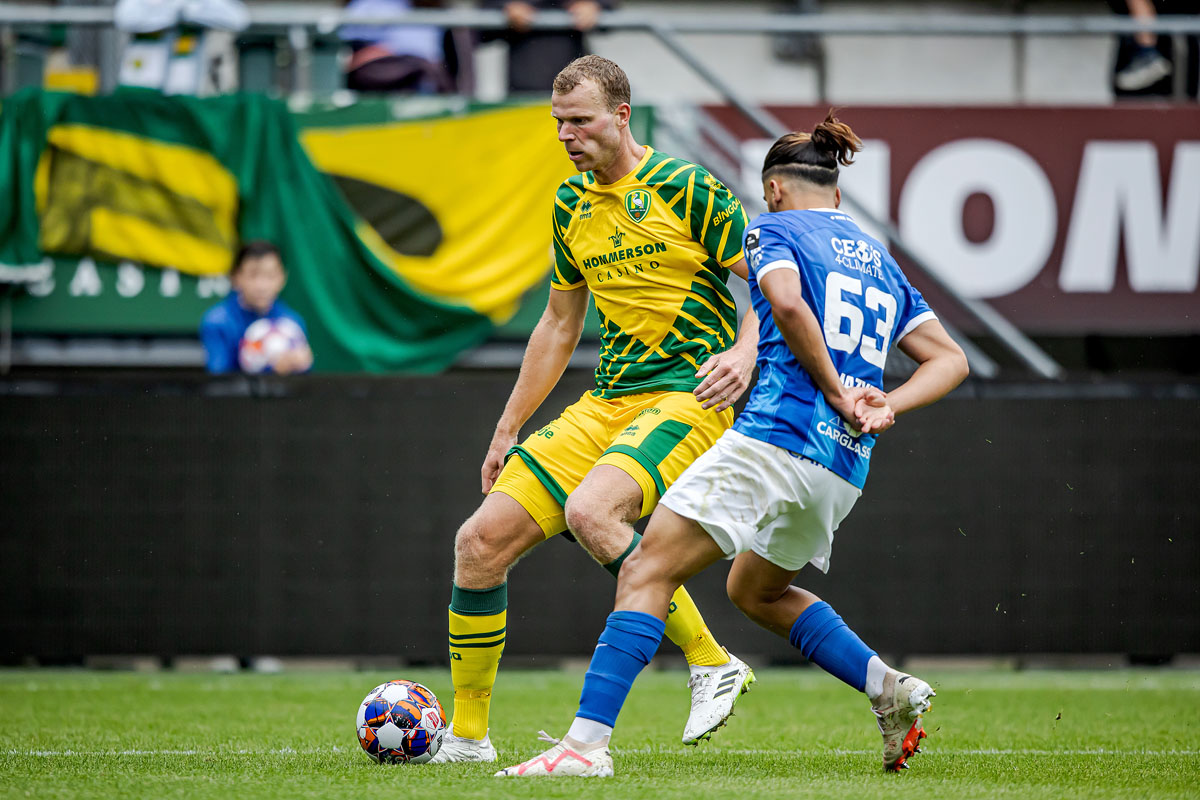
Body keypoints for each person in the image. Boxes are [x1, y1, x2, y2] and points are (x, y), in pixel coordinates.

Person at [496, 112, 970, 778]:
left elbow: (785, 302)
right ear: (836, 193)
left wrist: (834, 389)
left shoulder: (771, 228)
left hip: (774, 439)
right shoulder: (879, 259)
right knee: (756, 591)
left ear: (773, 189)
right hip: (842, 465)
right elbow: (950, 359)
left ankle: (583, 747)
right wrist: (885, 402)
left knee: (643, 571)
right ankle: (884, 685)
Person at [433, 55, 775, 763]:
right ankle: (467, 742)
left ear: (622, 115)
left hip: (688, 396)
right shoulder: (569, 203)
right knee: (478, 545)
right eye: (559, 123)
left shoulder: (687, 186)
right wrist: (508, 426)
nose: (567, 135)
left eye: (580, 121)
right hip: (606, 402)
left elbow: (775, 285)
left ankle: (712, 660)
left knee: (593, 513)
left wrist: (744, 356)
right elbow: (559, 324)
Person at [199, 241, 313, 375]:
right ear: (236, 277)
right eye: (253, 275)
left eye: (270, 276)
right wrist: (271, 370)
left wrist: (302, 364)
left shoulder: (293, 322)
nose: (262, 286)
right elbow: (219, 381)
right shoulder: (217, 322)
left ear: (282, 278)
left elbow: (303, 383)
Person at [480, 1, 613, 93]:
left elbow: (610, 10)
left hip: (575, 82)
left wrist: (595, 6)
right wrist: (505, 8)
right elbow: (481, 29)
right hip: (526, 82)